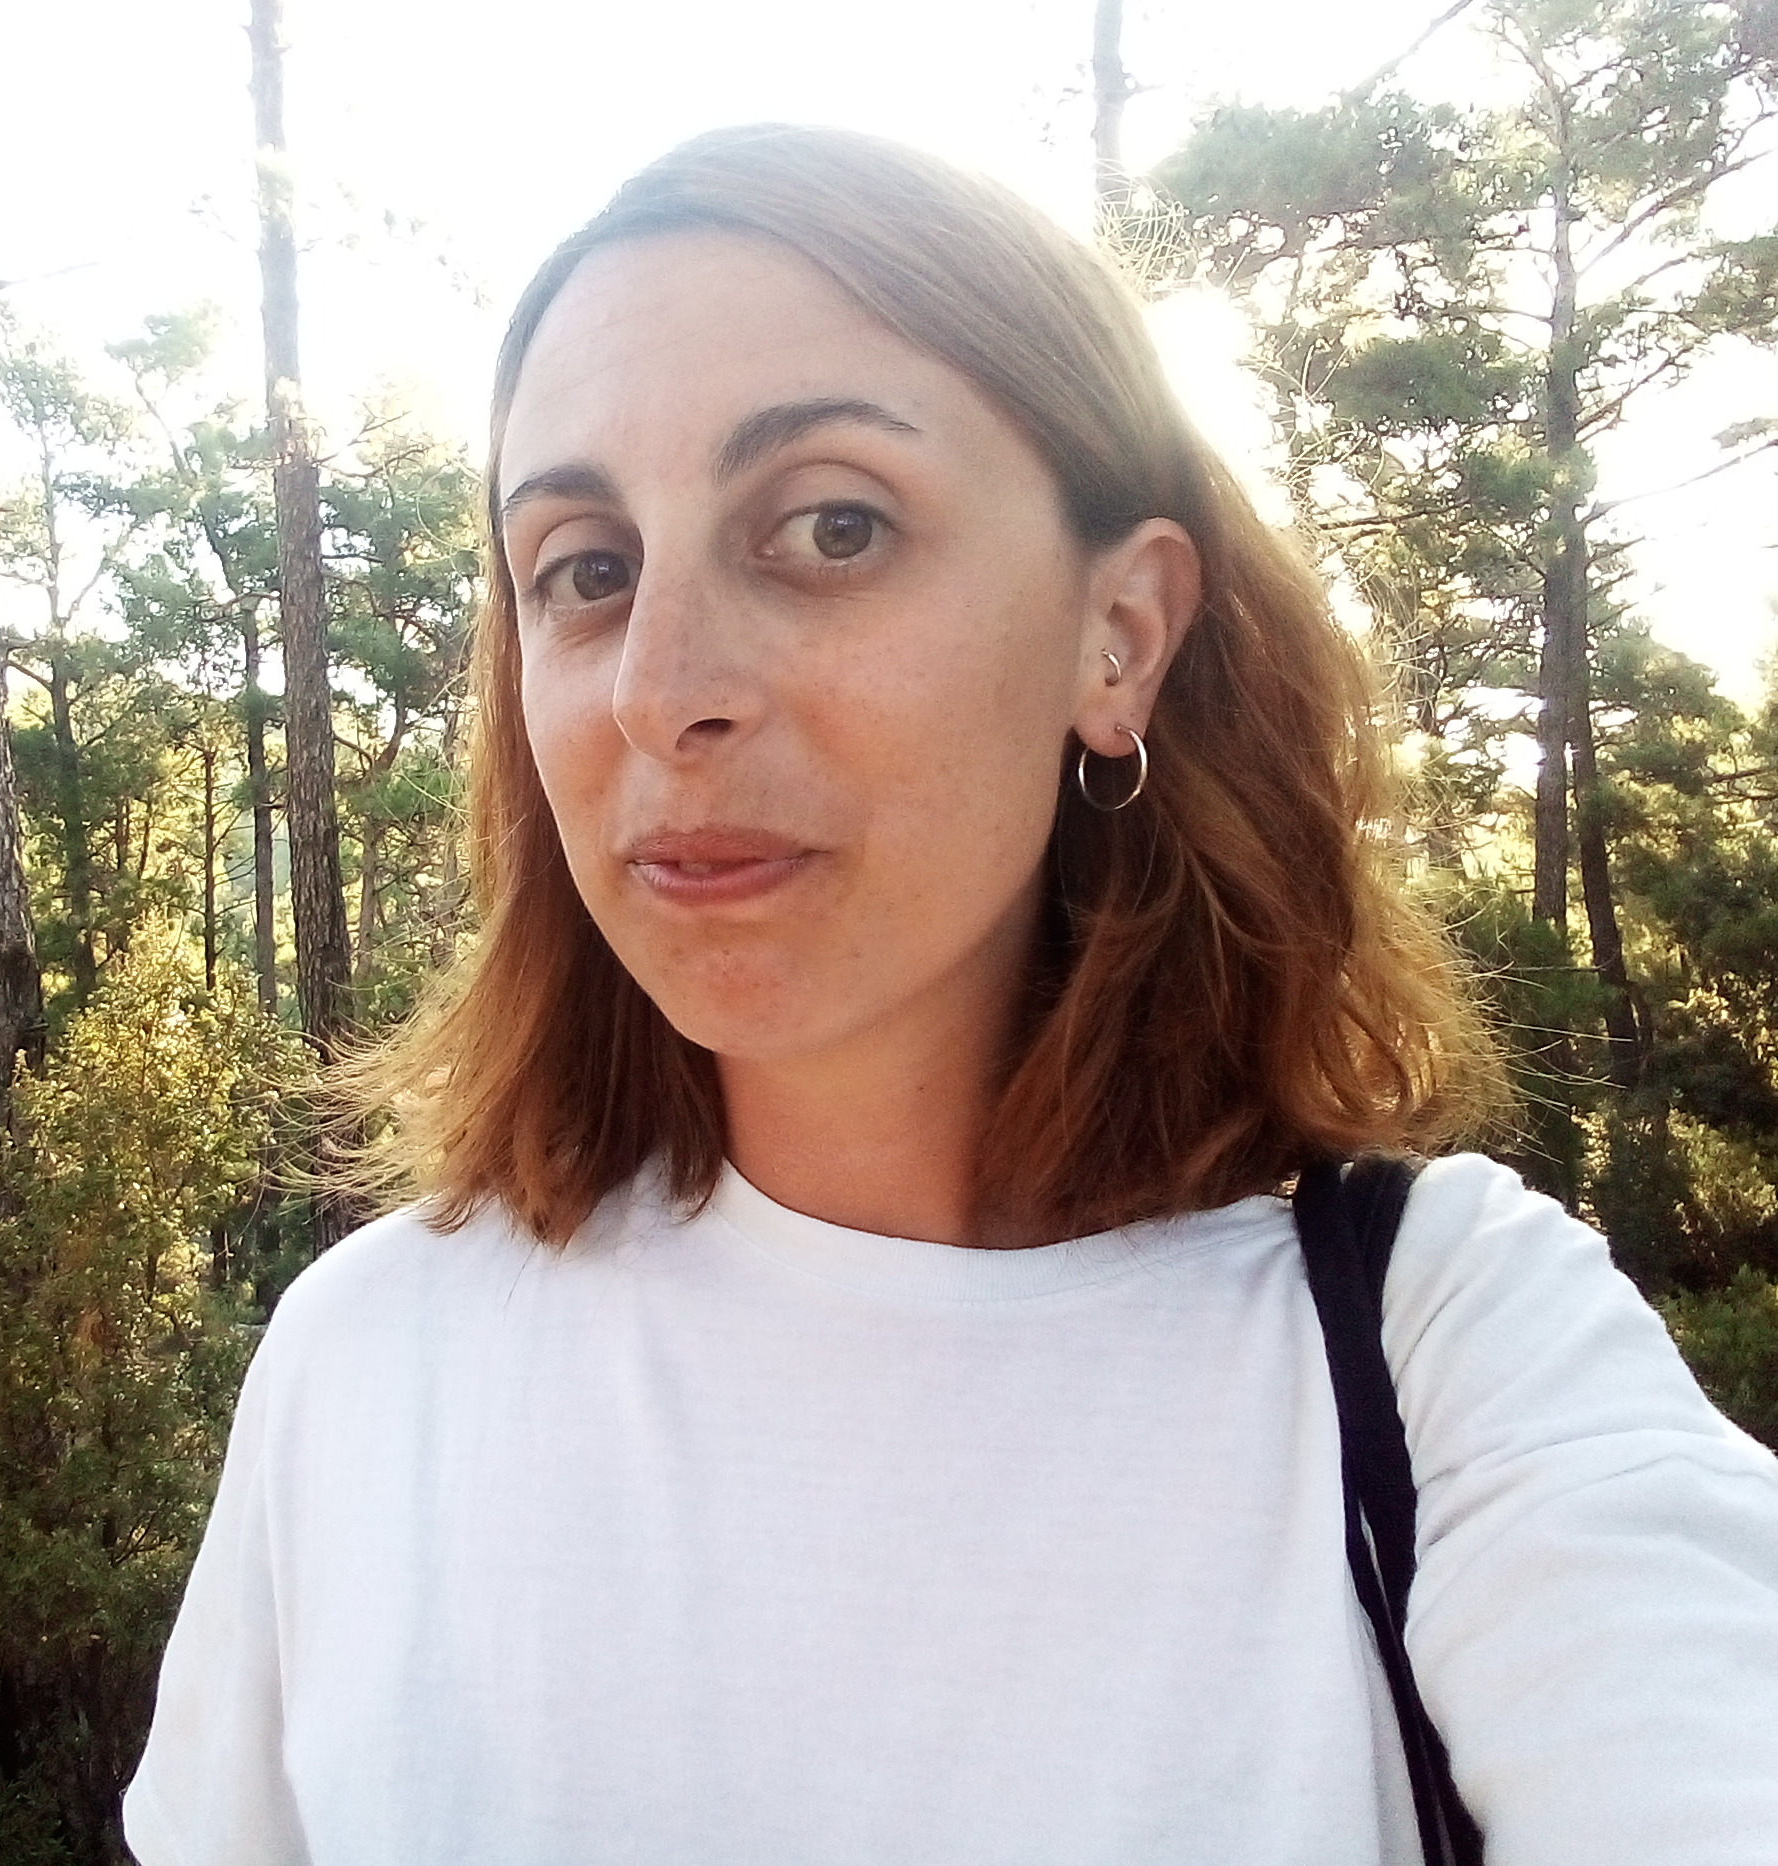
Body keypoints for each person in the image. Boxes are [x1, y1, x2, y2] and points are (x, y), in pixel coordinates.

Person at [123, 126, 1778, 1865]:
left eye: (831, 525)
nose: (659, 688)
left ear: (1118, 631)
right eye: (586, 567)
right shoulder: (368, 1367)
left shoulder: (1440, 1347)